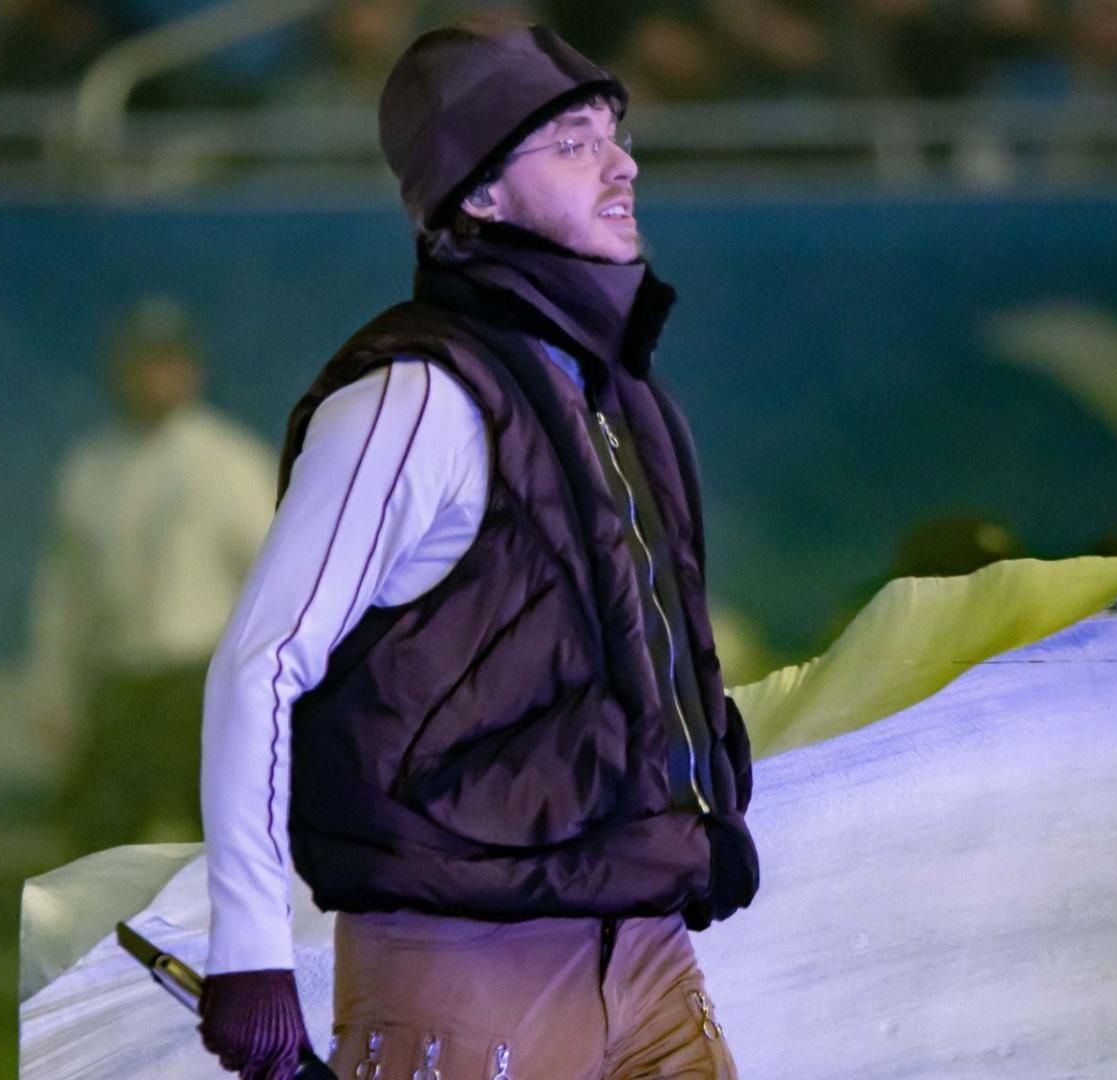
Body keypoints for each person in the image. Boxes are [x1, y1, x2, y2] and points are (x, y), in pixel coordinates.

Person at [196, 16, 758, 1080]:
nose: (621, 162)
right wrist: (249, 950)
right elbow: (262, 662)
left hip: (646, 947)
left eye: (613, 132)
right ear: (478, 196)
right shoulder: (410, 399)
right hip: (461, 968)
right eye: (573, 141)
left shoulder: (620, 393)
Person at [27, 297, 278, 857]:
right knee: (97, 849)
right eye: (144, 363)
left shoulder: (229, 462)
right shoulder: (91, 468)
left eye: (168, 362)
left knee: (227, 847)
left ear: (192, 370)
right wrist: (54, 691)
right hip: (119, 685)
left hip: (199, 688)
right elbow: (65, 594)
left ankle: (233, 946)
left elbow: (275, 582)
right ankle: (105, 945)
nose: (155, 378)